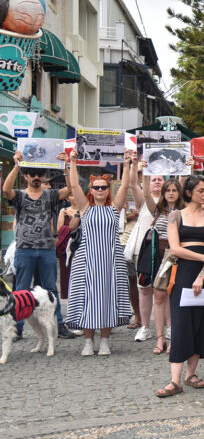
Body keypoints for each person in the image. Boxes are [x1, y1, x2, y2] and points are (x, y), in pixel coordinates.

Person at [156, 175, 204, 398]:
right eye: (201, 190)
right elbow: (175, 249)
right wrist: (203, 260)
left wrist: (203, 273)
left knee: (201, 322)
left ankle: (191, 374)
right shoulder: (176, 216)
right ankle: (175, 380)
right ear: (189, 192)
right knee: (182, 323)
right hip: (183, 272)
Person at [65, 150, 134, 356]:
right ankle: (88, 341)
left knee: (107, 297)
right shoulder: (85, 208)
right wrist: (73, 162)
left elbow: (124, 185)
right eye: (97, 187)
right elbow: (75, 185)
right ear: (91, 190)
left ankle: (104, 340)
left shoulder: (114, 208)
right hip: (87, 259)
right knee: (87, 298)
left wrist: (128, 163)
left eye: (104, 187)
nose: (101, 190)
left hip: (111, 260)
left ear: (107, 189)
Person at [3, 150, 75, 340]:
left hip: (46, 250)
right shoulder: (19, 195)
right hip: (24, 250)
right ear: (26, 176)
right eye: (32, 174)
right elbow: (5, 190)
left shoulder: (50, 195)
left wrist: (66, 166)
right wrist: (17, 166)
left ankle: (58, 325)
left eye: (39, 174)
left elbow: (70, 190)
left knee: (51, 289)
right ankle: (17, 327)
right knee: (21, 290)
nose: (36, 177)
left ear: (43, 176)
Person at [133, 165, 186, 355]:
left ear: (179, 193)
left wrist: (185, 168)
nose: (171, 193)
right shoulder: (157, 209)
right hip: (158, 253)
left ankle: (173, 337)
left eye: (174, 190)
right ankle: (159, 338)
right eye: (168, 190)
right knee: (159, 295)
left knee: (174, 296)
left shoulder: (184, 210)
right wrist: (145, 172)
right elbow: (147, 194)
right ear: (163, 193)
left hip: (177, 253)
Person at [127, 174, 165, 342]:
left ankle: (167, 327)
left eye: (160, 179)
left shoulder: (172, 199)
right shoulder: (143, 200)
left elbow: (181, 183)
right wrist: (139, 168)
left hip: (165, 250)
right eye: (153, 179)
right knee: (144, 288)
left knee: (165, 290)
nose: (157, 181)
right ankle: (144, 327)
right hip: (144, 251)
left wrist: (188, 167)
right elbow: (133, 184)